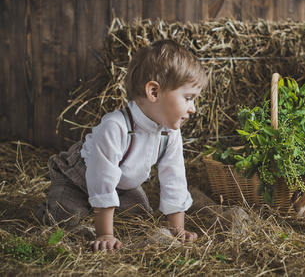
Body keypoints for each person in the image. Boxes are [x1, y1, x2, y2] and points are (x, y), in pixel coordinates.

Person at [36, 39, 208, 253]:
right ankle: (54, 208)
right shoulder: (115, 126)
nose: (193, 109)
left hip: (122, 186)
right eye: (188, 98)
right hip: (77, 181)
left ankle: (96, 212)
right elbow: (102, 177)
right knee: (67, 220)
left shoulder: (170, 133)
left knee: (139, 222)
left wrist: (178, 230)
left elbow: (174, 179)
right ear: (153, 92)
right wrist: (105, 234)